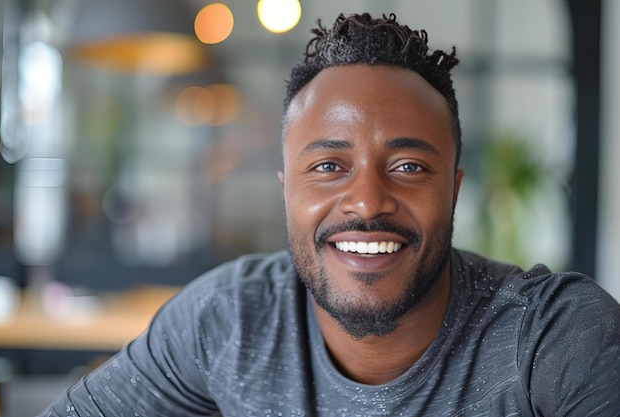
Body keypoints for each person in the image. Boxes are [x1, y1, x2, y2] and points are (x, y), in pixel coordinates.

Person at [39, 12, 620, 417]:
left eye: (410, 167)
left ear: (455, 189)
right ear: (285, 189)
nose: (367, 202)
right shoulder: (227, 320)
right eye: (327, 167)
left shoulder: (555, 337)